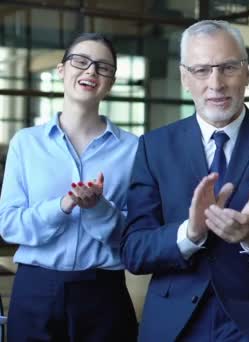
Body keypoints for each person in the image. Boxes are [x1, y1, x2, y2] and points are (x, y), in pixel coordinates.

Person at [120, 20, 249, 342]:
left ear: (246, 73)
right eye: (201, 70)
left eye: (228, 67)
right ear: (185, 78)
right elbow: (134, 250)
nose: (216, 83)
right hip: (175, 325)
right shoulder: (154, 147)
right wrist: (190, 233)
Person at [0, 33, 138, 341]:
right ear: (62, 70)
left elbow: (136, 234)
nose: (91, 71)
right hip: (35, 291)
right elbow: (8, 225)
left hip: (104, 294)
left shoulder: (134, 149)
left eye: (103, 67)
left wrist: (99, 209)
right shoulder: (26, 143)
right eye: (81, 61)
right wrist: (62, 206)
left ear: (111, 82)